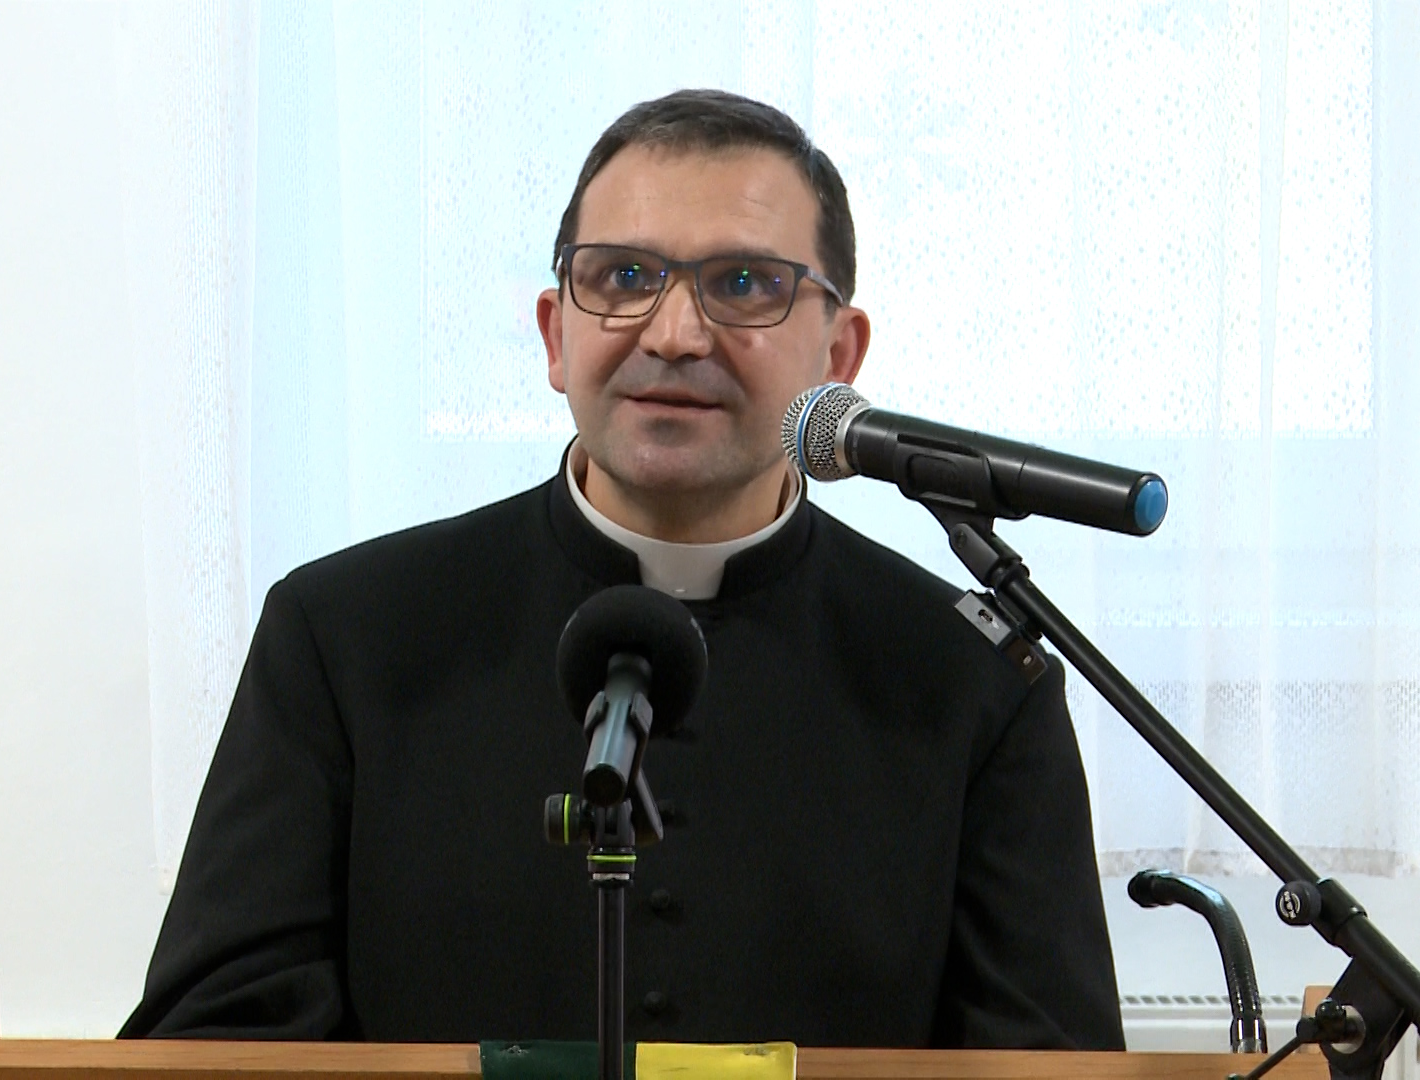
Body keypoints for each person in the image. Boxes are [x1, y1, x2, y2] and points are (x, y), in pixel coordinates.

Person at [120, 89, 1124, 1050]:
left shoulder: (973, 679)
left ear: (839, 356)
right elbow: (219, 1040)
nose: (674, 335)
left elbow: (1047, 1057)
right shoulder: (344, 637)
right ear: (556, 334)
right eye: (624, 277)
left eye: (745, 285)